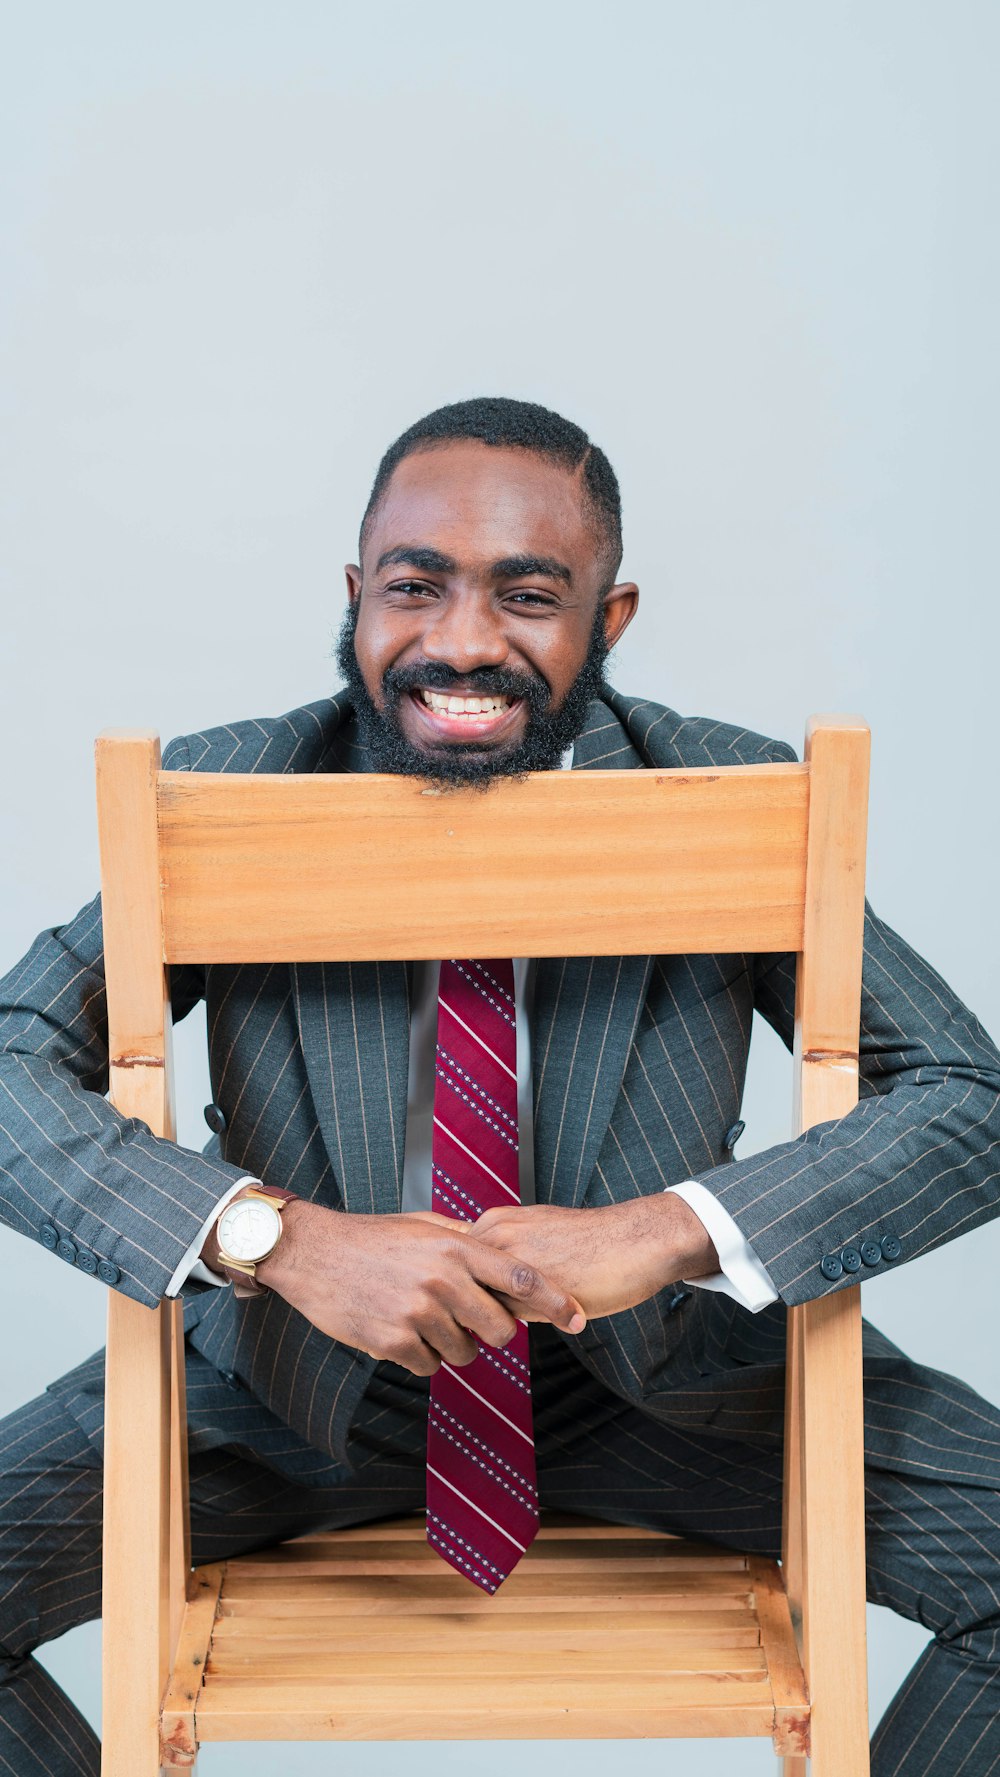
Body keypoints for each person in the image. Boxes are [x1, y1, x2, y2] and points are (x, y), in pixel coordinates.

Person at [1, 396, 999, 1775]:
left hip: (656, 1388)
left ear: (613, 616)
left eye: (529, 596)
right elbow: (8, 1066)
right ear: (357, 596)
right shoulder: (231, 788)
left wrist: (663, 1229)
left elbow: (966, 1093)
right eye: (416, 587)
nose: (464, 643)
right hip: (282, 1396)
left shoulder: (728, 792)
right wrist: (278, 1238)